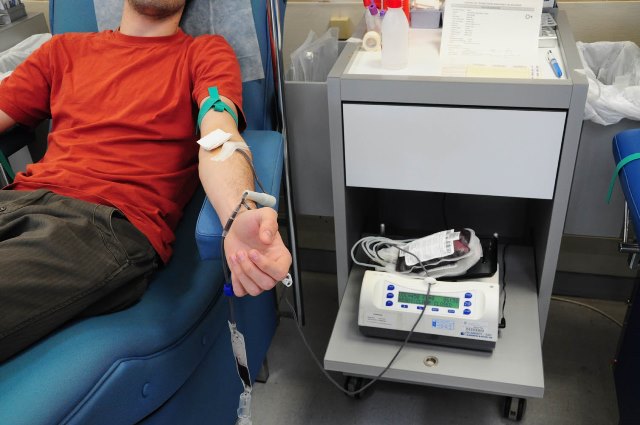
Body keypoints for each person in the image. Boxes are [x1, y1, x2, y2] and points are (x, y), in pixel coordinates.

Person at [0, 0, 292, 363]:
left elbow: (220, 134)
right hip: (15, 201)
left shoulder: (203, 53)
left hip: (100, 224)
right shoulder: (62, 51)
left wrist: (238, 211)